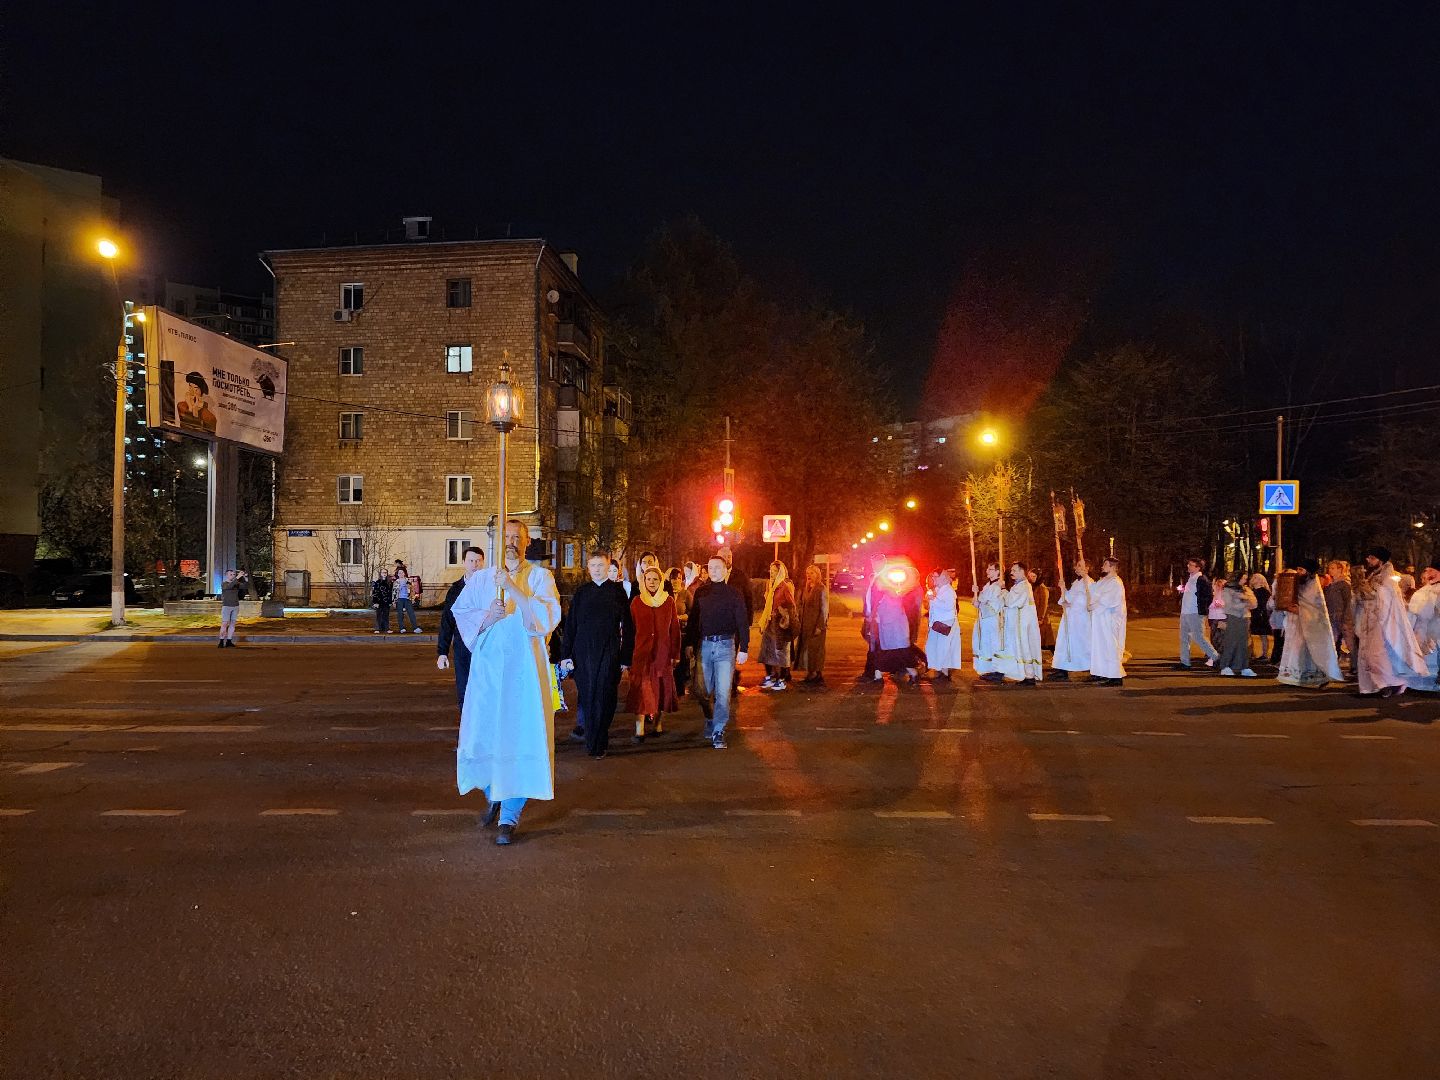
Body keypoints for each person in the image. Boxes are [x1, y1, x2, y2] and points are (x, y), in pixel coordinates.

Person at [449, 518, 561, 845]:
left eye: (517, 537)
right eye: (507, 536)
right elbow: (462, 615)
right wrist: (488, 617)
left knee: (520, 736)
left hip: (523, 675)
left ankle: (509, 815)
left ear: (526, 542)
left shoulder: (540, 578)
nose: (511, 542)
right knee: (485, 734)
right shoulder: (483, 579)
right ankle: (493, 792)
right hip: (489, 673)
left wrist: (512, 588)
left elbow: (544, 620)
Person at [560, 552, 635, 758]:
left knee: (605, 695)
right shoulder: (582, 592)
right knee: (587, 696)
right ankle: (593, 742)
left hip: (608, 651)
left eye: (600, 565)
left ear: (608, 567)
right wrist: (566, 655)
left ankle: (599, 739)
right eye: (593, 565)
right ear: (588, 568)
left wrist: (625, 657)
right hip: (583, 653)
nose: (596, 569)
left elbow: (628, 627)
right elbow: (571, 625)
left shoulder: (617, 592)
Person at [683, 554, 750, 748]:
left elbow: (742, 621)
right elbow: (694, 620)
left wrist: (744, 648)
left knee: (723, 692)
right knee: (701, 690)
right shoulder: (701, 592)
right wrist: (689, 643)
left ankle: (719, 730)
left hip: (725, 645)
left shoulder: (734, 594)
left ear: (726, 570)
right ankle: (709, 717)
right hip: (705, 645)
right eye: (710, 568)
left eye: (717, 567)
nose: (713, 571)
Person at [1353, 546, 1428, 698]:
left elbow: (1385, 597)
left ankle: (1387, 684)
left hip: (1383, 621)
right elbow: (1365, 597)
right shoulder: (1372, 575)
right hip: (1369, 619)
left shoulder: (1388, 577)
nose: (1368, 560)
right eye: (1368, 557)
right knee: (1367, 654)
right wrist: (1360, 590)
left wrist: (1368, 590)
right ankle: (1374, 686)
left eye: (1372, 558)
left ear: (1380, 560)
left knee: (1377, 655)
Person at [627, 566, 681, 742]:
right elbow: (629, 630)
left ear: (661, 582)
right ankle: (639, 729)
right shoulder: (636, 602)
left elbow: (674, 629)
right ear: (643, 581)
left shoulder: (668, 602)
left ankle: (658, 724)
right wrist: (627, 654)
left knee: (660, 690)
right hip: (641, 654)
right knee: (641, 691)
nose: (651, 582)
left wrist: (675, 654)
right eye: (648, 579)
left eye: (655, 579)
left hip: (662, 654)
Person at [1276, 558, 1342, 688]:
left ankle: (1313, 678)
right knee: (1295, 649)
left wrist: (1298, 610)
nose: (1298, 572)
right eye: (1297, 569)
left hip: (1310, 627)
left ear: (1308, 572)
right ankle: (1293, 677)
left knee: (1307, 650)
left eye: (1301, 570)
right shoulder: (1299, 583)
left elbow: (1314, 609)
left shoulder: (1313, 587)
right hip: (1296, 624)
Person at [436, 546, 485, 706]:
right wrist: (442, 652)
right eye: (471, 560)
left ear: (483, 562)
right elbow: (447, 621)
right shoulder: (456, 590)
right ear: (464, 562)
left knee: (484, 687)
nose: (475, 564)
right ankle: (466, 719)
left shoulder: (490, 586)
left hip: (485, 644)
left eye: (478, 561)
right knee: (464, 686)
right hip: (462, 645)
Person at [868, 562, 923, 686]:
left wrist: (879, 618)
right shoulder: (887, 595)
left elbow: (892, 614)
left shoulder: (892, 596)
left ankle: (913, 673)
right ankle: (878, 675)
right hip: (890, 634)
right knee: (889, 654)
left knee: (899, 655)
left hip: (895, 634)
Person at [996, 562, 1043, 685]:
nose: (1011, 573)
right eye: (1011, 570)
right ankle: (1026, 674)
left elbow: (1010, 601)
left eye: (1014, 570)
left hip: (1022, 625)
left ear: (1022, 572)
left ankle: (1029, 675)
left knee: (1025, 648)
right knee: (1023, 648)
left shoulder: (1023, 586)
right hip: (1020, 623)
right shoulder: (1019, 586)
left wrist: (1003, 589)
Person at [1050, 558, 1093, 681]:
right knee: (1064, 643)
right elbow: (1068, 597)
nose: (1076, 568)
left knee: (1080, 644)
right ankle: (1062, 668)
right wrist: (1063, 588)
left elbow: (1087, 601)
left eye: (1079, 566)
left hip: (1079, 620)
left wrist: (1071, 604)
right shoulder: (1076, 583)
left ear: (1087, 568)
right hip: (1070, 618)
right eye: (1076, 565)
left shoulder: (1089, 583)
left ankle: (1091, 668)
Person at [758, 560, 798, 690]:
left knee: (780, 651)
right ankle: (771, 676)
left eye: (775, 571)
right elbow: (768, 604)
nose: (772, 573)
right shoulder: (770, 585)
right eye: (771, 570)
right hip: (770, 621)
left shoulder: (784, 586)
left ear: (780, 572)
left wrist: (781, 610)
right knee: (767, 650)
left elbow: (791, 605)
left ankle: (781, 679)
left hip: (780, 623)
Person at [1088, 557, 1127, 686]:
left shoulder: (1116, 582)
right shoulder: (1103, 581)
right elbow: (1092, 591)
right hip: (1100, 619)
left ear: (1113, 567)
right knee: (1101, 646)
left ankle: (1116, 676)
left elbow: (1110, 600)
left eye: (1105, 564)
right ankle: (1102, 672)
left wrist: (1094, 605)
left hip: (1109, 619)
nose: (1102, 566)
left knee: (1111, 647)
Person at [1174, 558, 1218, 670]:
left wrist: (1202, 608)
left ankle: (1216, 658)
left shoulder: (1202, 579)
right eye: (1188, 564)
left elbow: (1209, 596)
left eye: (1191, 565)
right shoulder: (1190, 579)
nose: (1188, 566)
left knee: (1199, 637)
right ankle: (1185, 662)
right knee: (1184, 638)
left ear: (1198, 567)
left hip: (1195, 613)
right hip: (1185, 612)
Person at [1405, 560, 1440, 692]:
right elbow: (1417, 610)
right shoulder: (1426, 591)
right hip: (1431, 627)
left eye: (1431, 570)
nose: (1428, 573)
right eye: (1427, 571)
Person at [1216, 574, 1258, 677]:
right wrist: (1245, 602)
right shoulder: (1228, 590)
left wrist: (1244, 600)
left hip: (1245, 618)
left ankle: (1243, 666)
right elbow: (1229, 606)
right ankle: (1225, 666)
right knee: (1231, 642)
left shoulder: (1246, 589)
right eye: (1243, 578)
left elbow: (1254, 604)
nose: (1245, 581)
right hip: (1233, 617)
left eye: (1246, 579)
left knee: (1243, 643)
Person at [795, 564, 830, 685]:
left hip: (816, 625)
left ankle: (816, 674)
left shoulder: (821, 589)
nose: (809, 575)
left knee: (816, 650)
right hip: (806, 625)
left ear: (818, 575)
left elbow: (824, 609)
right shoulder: (807, 588)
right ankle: (811, 673)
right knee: (808, 650)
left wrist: (820, 626)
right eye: (807, 573)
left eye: (812, 573)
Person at [924, 569, 961, 679]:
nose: (933, 579)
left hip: (945, 623)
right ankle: (939, 669)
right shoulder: (938, 589)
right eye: (933, 576)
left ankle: (944, 672)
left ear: (942, 578)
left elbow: (948, 606)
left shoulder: (948, 591)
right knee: (935, 647)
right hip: (937, 623)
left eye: (936, 577)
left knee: (943, 647)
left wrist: (933, 600)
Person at [972, 562, 1005, 682]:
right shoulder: (987, 585)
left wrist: (980, 604)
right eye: (987, 568)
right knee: (986, 645)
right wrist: (975, 593)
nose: (987, 571)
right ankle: (989, 669)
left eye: (990, 569)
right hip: (984, 621)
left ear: (998, 572)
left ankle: (998, 671)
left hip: (992, 621)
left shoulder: (998, 586)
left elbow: (993, 607)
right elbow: (978, 601)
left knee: (993, 645)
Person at [1323, 561, 1355, 677]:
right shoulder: (1331, 585)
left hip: (1343, 617)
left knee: (1350, 644)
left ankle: (1355, 667)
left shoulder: (1344, 584)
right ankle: (1331, 666)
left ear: (1340, 569)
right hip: (1332, 616)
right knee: (1332, 642)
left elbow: (1348, 602)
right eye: (1329, 568)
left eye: (1333, 568)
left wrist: (1346, 617)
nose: (1330, 570)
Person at [1248, 573, 1273, 662]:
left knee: (1263, 635)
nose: (1252, 579)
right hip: (1254, 614)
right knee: (1253, 634)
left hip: (1260, 615)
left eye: (1255, 577)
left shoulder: (1263, 591)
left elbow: (1264, 604)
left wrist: (1262, 613)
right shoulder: (1253, 591)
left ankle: (1264, 654)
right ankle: (1252, 653)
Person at [218, 569, 246, 648]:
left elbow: (244, 586)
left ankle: (229, 641)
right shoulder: (224, 583)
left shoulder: (236, 583)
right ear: (226, 575)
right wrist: (237, 577)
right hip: (227, 606)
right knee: (224, 623)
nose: (232, 576)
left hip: (235, 606)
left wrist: (244, 577)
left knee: (233, 623)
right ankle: (221, 641)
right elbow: (229, 586)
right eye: (231, 574)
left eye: (234, 574)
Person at [1030, 569, 1055, 651]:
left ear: (1038, 577)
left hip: (1042, 618)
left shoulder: (1042, 588)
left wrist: (1040, 618)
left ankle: (1056, 655)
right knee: (1039, 641)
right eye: (1030, 576)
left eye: (1034, 576)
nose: (1032, 578)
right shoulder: (1032, 587)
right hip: (1034, 615)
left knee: (1046, 641)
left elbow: (1044, 604)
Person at [1207, 576, 1228, 657]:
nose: (1218, 587)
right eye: (1217, 585)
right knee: (1213, 636)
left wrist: (1221, 605)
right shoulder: (1215, 594)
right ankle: (1214, 652)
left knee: (1220, 636)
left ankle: (1221, 653)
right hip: (1213, 618)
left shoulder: (1226, 594)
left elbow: (1229, 606)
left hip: (1222, 618)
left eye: (1220, 585)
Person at [393, 567, 418, 633]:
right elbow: (394, 592)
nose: (401, 574)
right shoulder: (396, 582)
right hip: (399, 599)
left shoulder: (408, 581)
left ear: (404, 573)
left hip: (407, 599)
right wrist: (394, 601)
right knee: (400, 614)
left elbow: (413, 590)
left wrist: (413, 598)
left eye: (402, 572)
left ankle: (415, 628)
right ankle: (402, 628)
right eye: (399, 573)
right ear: (397, 574)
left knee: (411, 613)